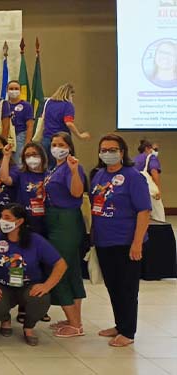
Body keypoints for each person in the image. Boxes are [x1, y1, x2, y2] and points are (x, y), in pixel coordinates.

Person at [90, 133, 152, 347]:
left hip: (126, 242)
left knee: (127, 288)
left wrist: (137, 244)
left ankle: (128, 331)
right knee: (113, 286)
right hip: (104, 240)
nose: (108, 153)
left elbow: (144, 211)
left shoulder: (134, 177)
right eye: (104, 149)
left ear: (122, 152)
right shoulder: (99, 176)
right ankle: (119, 324)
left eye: (112, 149)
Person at [0, 204, 67, 346]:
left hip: (28, 286)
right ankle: (5, 319)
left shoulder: (35, 240)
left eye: (7, 217)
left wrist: (46, 286)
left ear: (19, 221)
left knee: (40, 299)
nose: (2, 220)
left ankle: (29, 327)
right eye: (1, 217)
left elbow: (61, 264)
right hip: (2, 285)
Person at [42, 131, 87, 337]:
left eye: (61, 144)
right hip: (54, 218)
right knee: (72, 270)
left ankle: (75, 324)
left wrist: (75, 171)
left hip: (66, 221)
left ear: (69, 146)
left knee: (59, 267)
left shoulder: (72, 166)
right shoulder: (55, 168)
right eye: (53, 144)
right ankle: (74, 319)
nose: (56, 147)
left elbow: (77, 192)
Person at [0, 142, 48, 235]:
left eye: (34, 154)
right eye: (27, 155)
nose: (31, 158)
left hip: (44, 221)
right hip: (24, 221)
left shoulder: (49, 175)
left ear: (42, 155)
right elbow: (4, 179)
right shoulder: (20, 173)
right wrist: (6, 156)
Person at [41, 83, 90, 167]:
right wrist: (80, 136)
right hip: (61, 141)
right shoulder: (67, 105)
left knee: (47, 167)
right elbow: (69, 123)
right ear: (69, 94)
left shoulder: (49, 102)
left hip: (46, 139)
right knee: (63, 167)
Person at [5, 80, 34, 161]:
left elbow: (30, 126)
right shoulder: (4, 105)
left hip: (20, 135)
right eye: (11, 88)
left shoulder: (26, 105)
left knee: (18, 160)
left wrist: (27, 144)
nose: (13, 91)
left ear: (20, 90)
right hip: (7, 135)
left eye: (16, 88)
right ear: (7, 90)